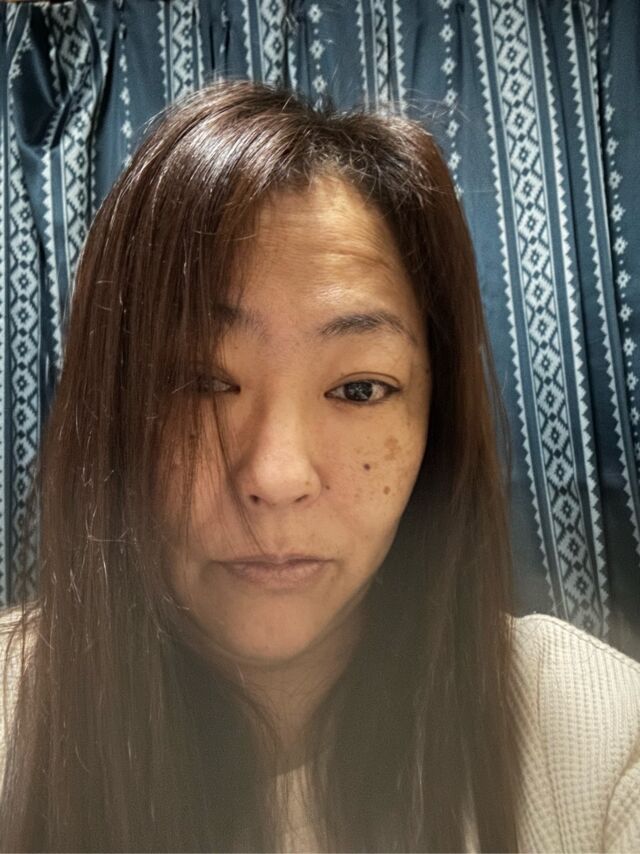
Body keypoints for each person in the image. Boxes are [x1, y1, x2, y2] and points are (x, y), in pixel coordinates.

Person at [0, 78, 638, 853]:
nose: (276, 477)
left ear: (433, 422)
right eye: (199, 382)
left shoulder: (592, 738)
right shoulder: (15, 720)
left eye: (359, 388)